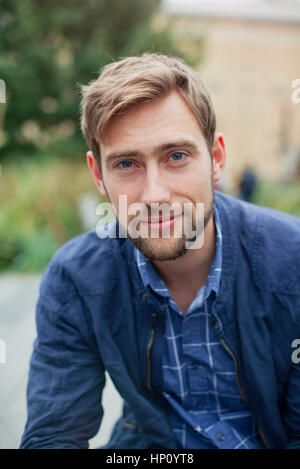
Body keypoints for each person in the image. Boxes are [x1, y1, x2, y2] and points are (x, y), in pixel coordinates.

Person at [20, 53, 300, 449]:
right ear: (98, 175)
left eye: (177, 156)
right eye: (127, 164)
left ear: (216, 159)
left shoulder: (293, 261)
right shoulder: (76, 279)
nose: (154, 195)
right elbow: (54, 435)